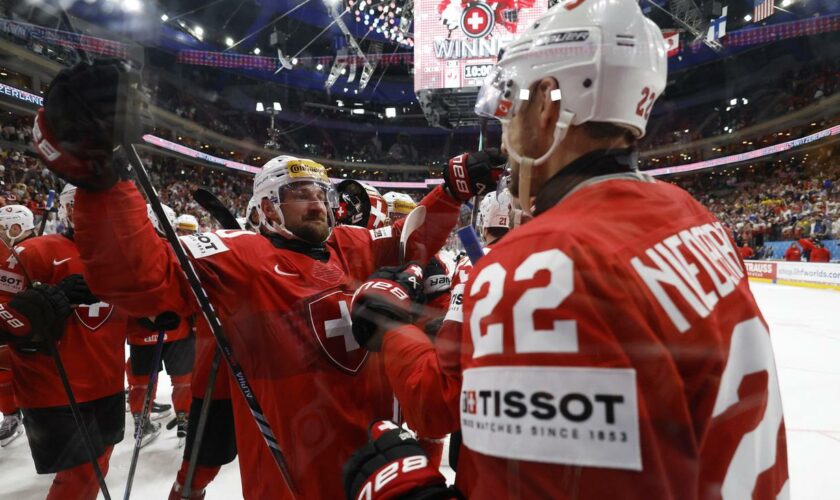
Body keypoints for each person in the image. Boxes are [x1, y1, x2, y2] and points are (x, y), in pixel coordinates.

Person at [346, 1, 788, 498]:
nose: (506, 132)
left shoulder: (539, 266)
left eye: (512, 108)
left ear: (548, 106)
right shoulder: (692, 216)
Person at [34, 61, 498, 497]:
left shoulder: (350, 246)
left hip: (379, 461)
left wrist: (451, 191)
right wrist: (102, 181)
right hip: (295, 473)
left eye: (320, 191)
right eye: (299, 193)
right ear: (265, 207)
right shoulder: (240, 255)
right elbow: (139, 277)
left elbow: (409, 240)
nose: (317, 203)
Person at [0, 184, 128, 500]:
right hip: (54, 387)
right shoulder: (34, 252)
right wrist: (49, 301)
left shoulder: (122, 258)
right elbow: (4, 319)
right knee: (82, 473)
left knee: (97, 466)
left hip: (107, 383)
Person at [125, 204, 194, 448]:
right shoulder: (174, 248)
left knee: (142, 380)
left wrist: (140, 314)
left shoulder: (127, 249)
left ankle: (141, 421)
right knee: (183, 379)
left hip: (141, 332)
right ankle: (186, 419)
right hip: (177, 329)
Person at [0, 205, 37, 447]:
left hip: (33, 324)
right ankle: (12, 414)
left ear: (17, 227)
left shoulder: (35, 250)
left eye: (3, 227)